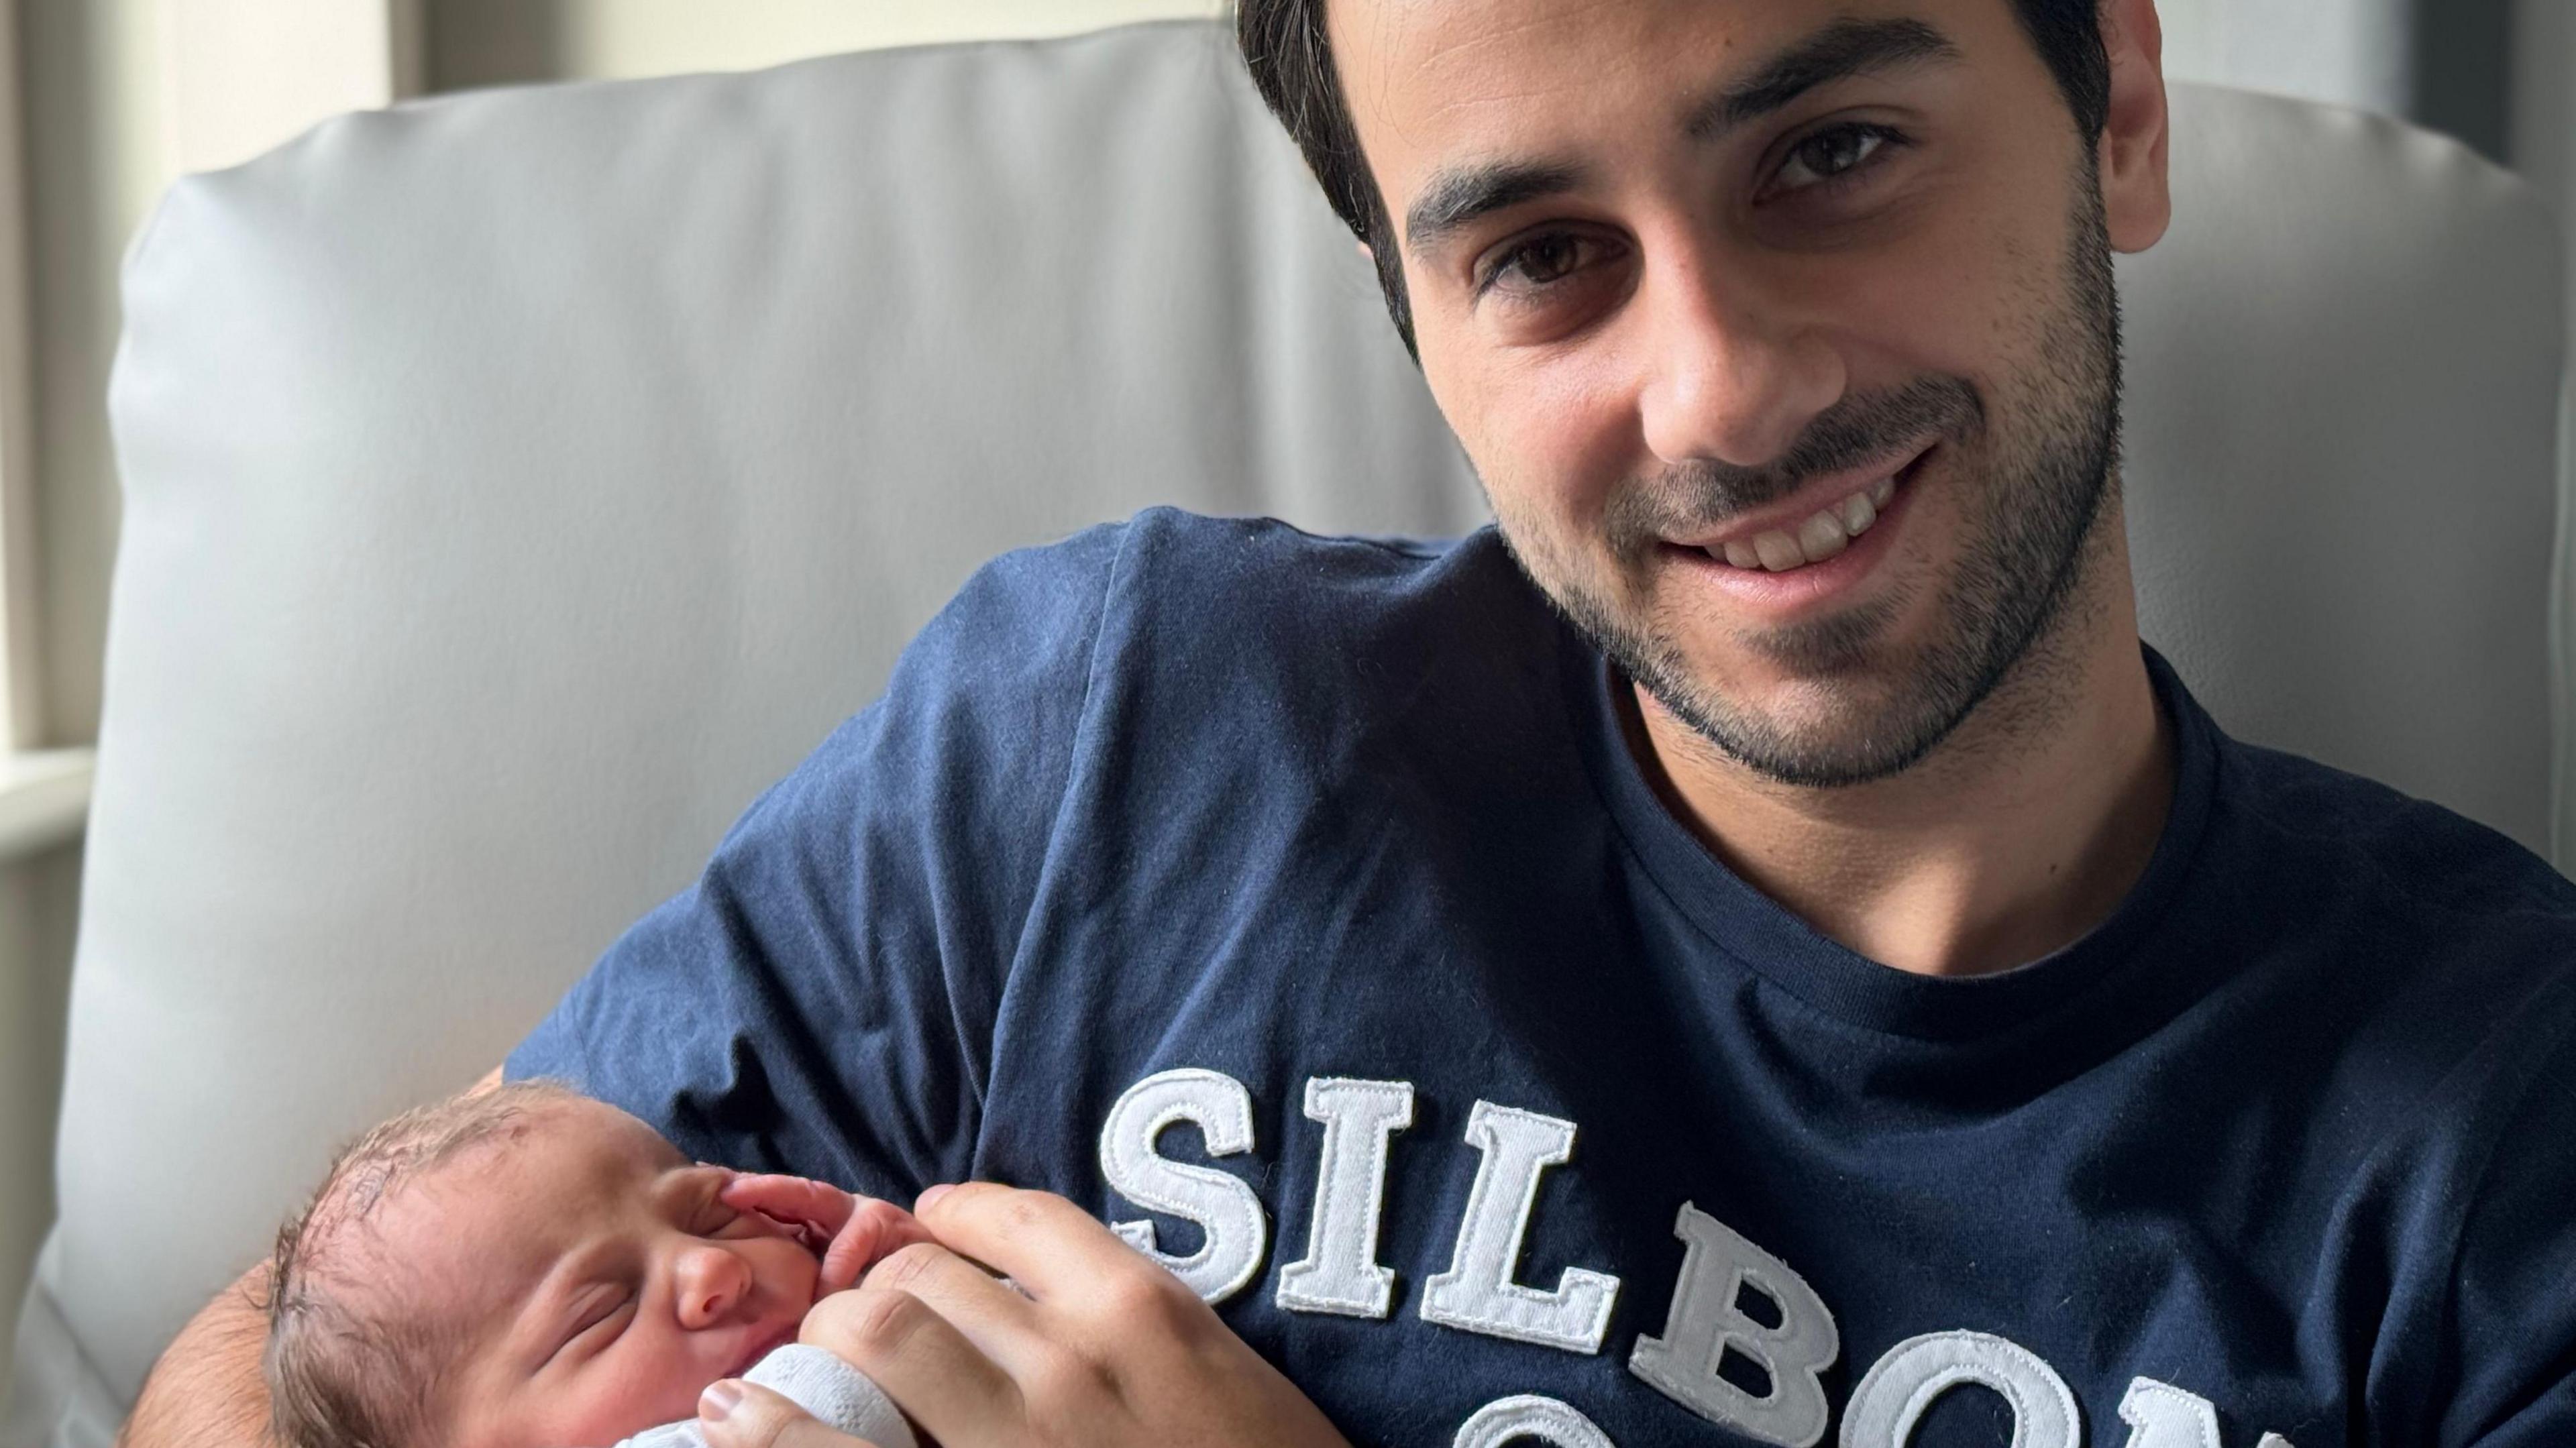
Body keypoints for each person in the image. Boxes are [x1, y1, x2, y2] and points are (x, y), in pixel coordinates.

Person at [125, 0, 2576, 1445]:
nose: (1714, 385)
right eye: (1541, 260)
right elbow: (297, 1367)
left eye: (1834, 152)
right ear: (1421, 324)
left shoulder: (2493, 1142)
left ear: (2117, 105)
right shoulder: (1120, 738)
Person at [256, 1082, 926, 1448]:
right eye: (601, 1310)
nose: (714, 1267)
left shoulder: (872, 1317)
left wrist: (923, 1269)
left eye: (711, 1215)